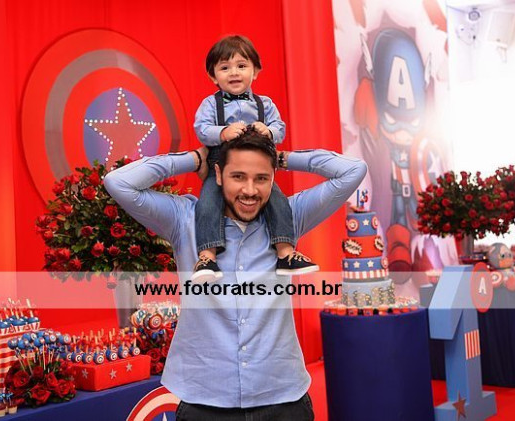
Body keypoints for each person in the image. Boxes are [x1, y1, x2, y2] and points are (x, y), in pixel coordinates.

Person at [104, 129, 367, 421]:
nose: (250, 190)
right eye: (238, 176)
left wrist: (281, 158)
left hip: (283, 398)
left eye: (261, 178)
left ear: (273, 178)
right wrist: (194, 159)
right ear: (218, 174)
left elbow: (353, 171)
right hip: (205, 400)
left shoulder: (290, 217)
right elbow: (118, 182)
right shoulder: (183, 219)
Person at [193, 35, 318, 282]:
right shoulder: (210, 104)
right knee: (207, 203)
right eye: (225, 68)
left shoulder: (265, 104)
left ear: (256, 71)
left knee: (278, 201)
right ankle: (207, 256)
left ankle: (286, 252)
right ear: (213, 76)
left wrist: (268, 131)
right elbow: (201, 129)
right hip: (222, 164)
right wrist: (222, 133)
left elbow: (280, 129)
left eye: (241, 65)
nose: (234, 73)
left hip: (258, 166)